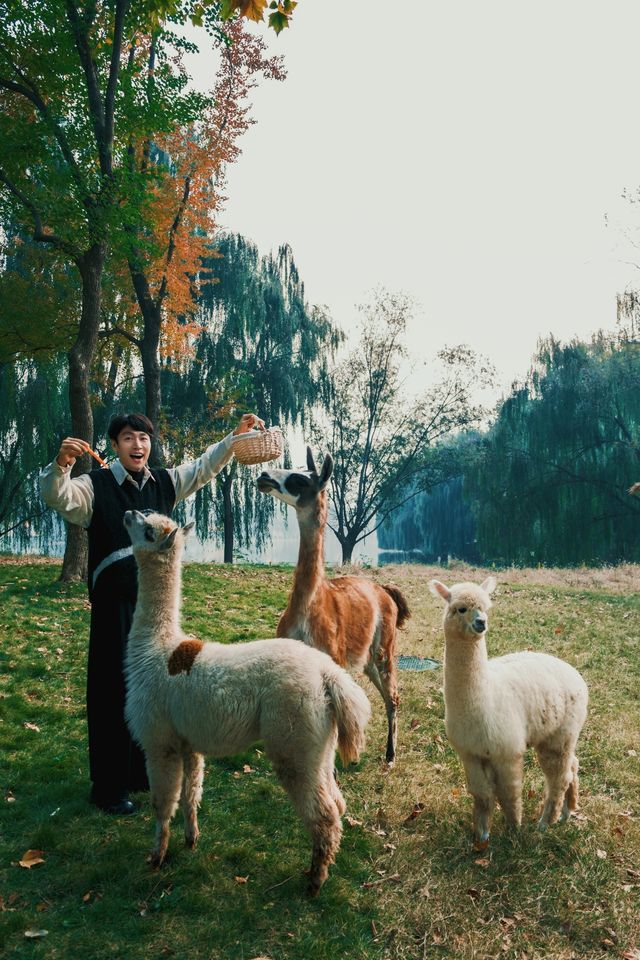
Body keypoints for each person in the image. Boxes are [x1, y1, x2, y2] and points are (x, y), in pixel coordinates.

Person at [40, 410, 265, 815]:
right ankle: (109, 786)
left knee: (155, 692)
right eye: (128, 438)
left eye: (143, 437)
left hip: (155, 610)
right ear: (114, 445)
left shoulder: (164, 482)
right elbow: (59, 498)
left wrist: (234, 439)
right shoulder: (94, 485)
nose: (137, 445)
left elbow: (202, 468)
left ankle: (142, 773)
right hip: (115, 606)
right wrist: (61, 465)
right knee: (112, 690)